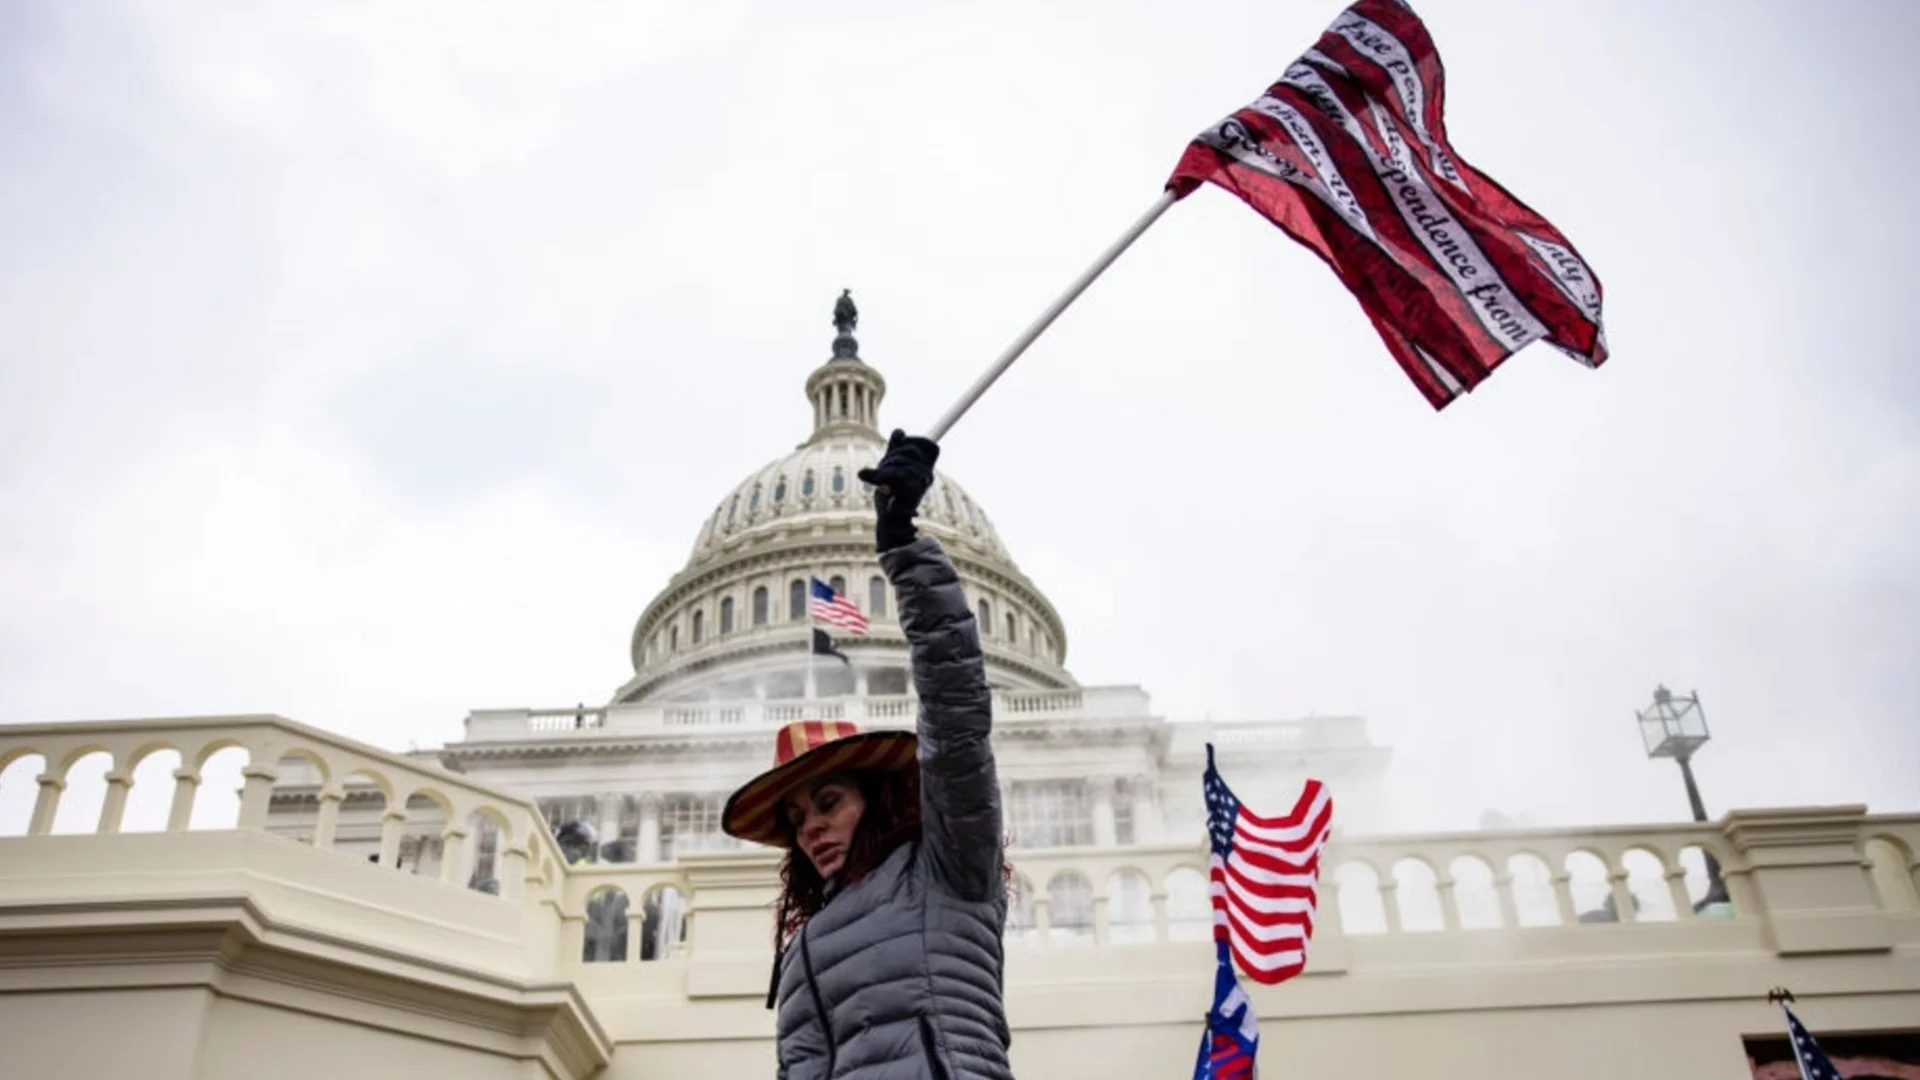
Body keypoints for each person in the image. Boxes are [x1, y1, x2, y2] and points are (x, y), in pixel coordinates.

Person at [720, 430, 1012, 1080]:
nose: (811, 828)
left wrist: (906, 550)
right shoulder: (799, 955)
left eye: (828, 802)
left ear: (878, 796)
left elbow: (956, 722)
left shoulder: (948, 872)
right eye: (796, 819)